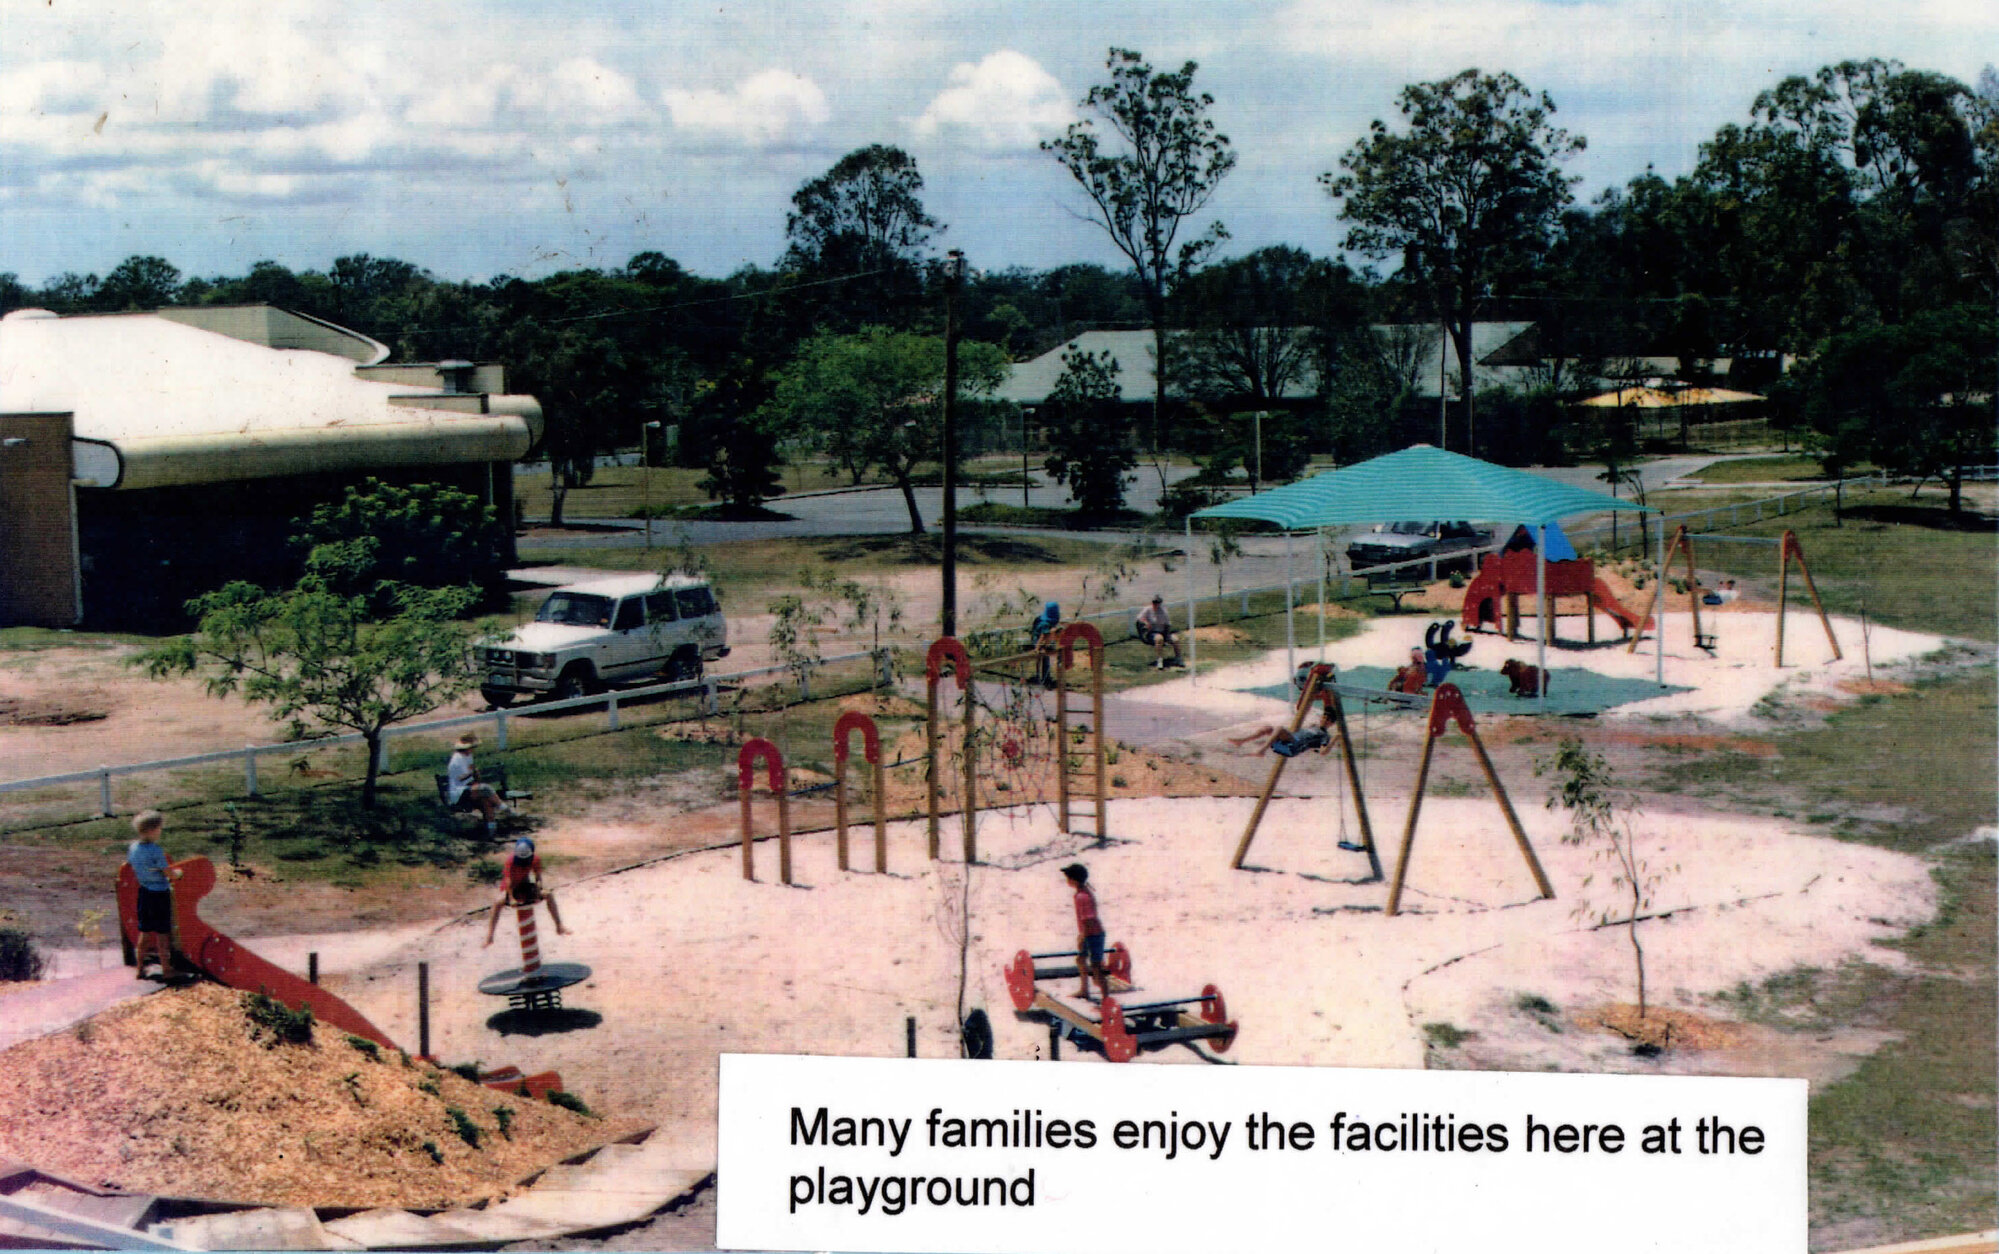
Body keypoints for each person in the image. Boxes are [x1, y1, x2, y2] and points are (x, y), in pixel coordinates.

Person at [127, 810, 183, 980]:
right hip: (159, 894)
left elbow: (131, 865)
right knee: (162, 933)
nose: (160, 831)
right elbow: (168, 873)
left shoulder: (134, 848)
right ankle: (167, 970)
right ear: (151, 830)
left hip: (144, 893)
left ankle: (139, 968)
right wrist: (178, 873)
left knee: (144, 931)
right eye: (159, 828)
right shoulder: (155, 850)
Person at [485, 837, 569, 945]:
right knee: (497, 903)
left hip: (525, 885)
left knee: (548, 894)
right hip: (511, 888)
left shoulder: (535, 859)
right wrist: (511, 898)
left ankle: (559, 925)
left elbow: (538, 877)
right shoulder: (510, 861)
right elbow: (508, 880)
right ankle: (490, 936)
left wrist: (538, 891)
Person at [1061, 863, 1109, 1002]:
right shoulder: (1082, 893)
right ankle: (1084, 990)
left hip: (1093, 935)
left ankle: (1106, 998)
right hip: (1089, 933)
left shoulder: (1083, 896)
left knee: (1096, 967)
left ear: (1074, 880)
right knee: (1081, 959)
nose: (1067, 880)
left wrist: (1083, 936)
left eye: (1068, 878)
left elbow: (1089, 919)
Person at [447, 734, 511, 837]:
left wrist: (476, 777)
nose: (473, 750)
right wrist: (472, 773)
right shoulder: (457, 759)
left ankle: (491, 832)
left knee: (487, 803)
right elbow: (460, 778)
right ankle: (503, 807)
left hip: (470, 789)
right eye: (472, 748)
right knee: (485, 789)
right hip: (459, 792)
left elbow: (473, 774)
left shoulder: (468, 757)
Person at [1229, 710, 1335, 757]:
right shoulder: (1313, 726)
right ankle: (1241, 741)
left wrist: (1336, 738)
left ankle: (1261, 751)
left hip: (1294, 747)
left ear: (1331, 723)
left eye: (1328, 720)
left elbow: (1323, 752)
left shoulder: (1325, 736)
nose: (1324, 720)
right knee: (1267, 728)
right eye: (1324, 717)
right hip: (1289, 741)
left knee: (1279, 729)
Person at [1133, 596, 1182, 669]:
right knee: (1159, 639)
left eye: (1157, 603)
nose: (1155, 604)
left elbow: (1167, 624)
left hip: (1163, 632)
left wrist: (1166, 634)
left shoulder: (1163, 611)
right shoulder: (1147, 610)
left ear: (1160, 604)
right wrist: (1146, 622)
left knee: (1175, 639)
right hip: (1152, 633)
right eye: (1154, 602)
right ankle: (1160, 660)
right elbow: (1139, 618)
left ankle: (1178, 658)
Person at [1029, 601, 1062, 688]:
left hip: (1043, 639)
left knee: (1046, 658)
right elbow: (1042, 637)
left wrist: (1047, 646)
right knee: (1041, 657)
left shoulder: (1047, 623)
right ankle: (1039, 677)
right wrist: (1037, 648)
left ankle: (1045, 677)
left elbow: (1047, 637)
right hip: (1037, 639)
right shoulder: (1045, 625)